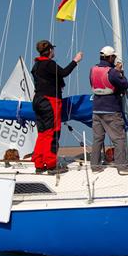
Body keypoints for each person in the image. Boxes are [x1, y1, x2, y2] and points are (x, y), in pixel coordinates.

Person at [31, 40, 82, 174]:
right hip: (50, 101)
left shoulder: (36, 65)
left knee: (42, 133)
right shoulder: (48, 64)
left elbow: (49, 78)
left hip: (38, 100)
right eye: (52, 49)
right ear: (49, 51)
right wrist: (75, 61)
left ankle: (39, 163)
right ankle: (51, 164)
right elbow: (64, 72)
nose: (54, 51)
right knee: (52, 132)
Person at [90, 46, 128, 173]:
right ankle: (122, 167)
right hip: (111, 109)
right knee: (119, 139)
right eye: (114, 57)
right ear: (110, 57)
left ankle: (95, 166)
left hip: (96, 109)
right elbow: (124, 84)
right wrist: (118, 72)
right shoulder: (112, 72)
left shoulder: (93, 69)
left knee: (97, 139)